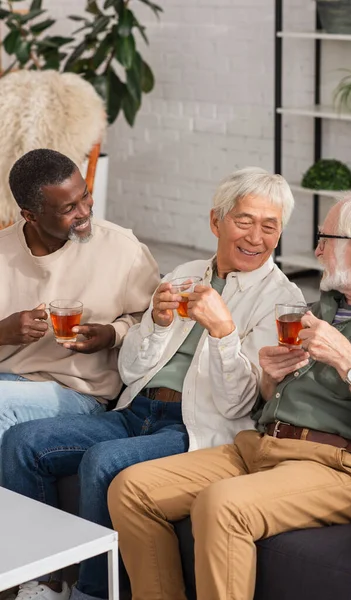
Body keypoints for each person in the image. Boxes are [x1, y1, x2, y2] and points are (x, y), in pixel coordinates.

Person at [2, 167, 304, 600]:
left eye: (269, 226)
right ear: (216, 221)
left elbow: (238, 403)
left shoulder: (282, 299)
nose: (256, 236)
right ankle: (44, 581)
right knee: (22, 442)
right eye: (244, 221)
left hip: (192, 427)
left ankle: (93, 593)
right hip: (136, 410)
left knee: (104, 461)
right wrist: (158, 324)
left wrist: (223, 332)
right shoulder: (186, 272)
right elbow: (129, 369)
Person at [107, 190, 351, 600]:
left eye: (324, 240)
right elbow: (267, 402)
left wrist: (349, 361)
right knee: (131, 489)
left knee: (221, 505)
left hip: (343, 468)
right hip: (262, 446)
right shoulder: (321, 309)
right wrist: (270, 380)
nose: (316, 252)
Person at [0, 148, 159, 469]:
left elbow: (154, 323)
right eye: (69, 208)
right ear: (30, 215)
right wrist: (4, 331)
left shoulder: (122, 250)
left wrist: (111, 335)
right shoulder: (3, 252)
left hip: (78, 390)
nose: (85, 211)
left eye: (85, 197)